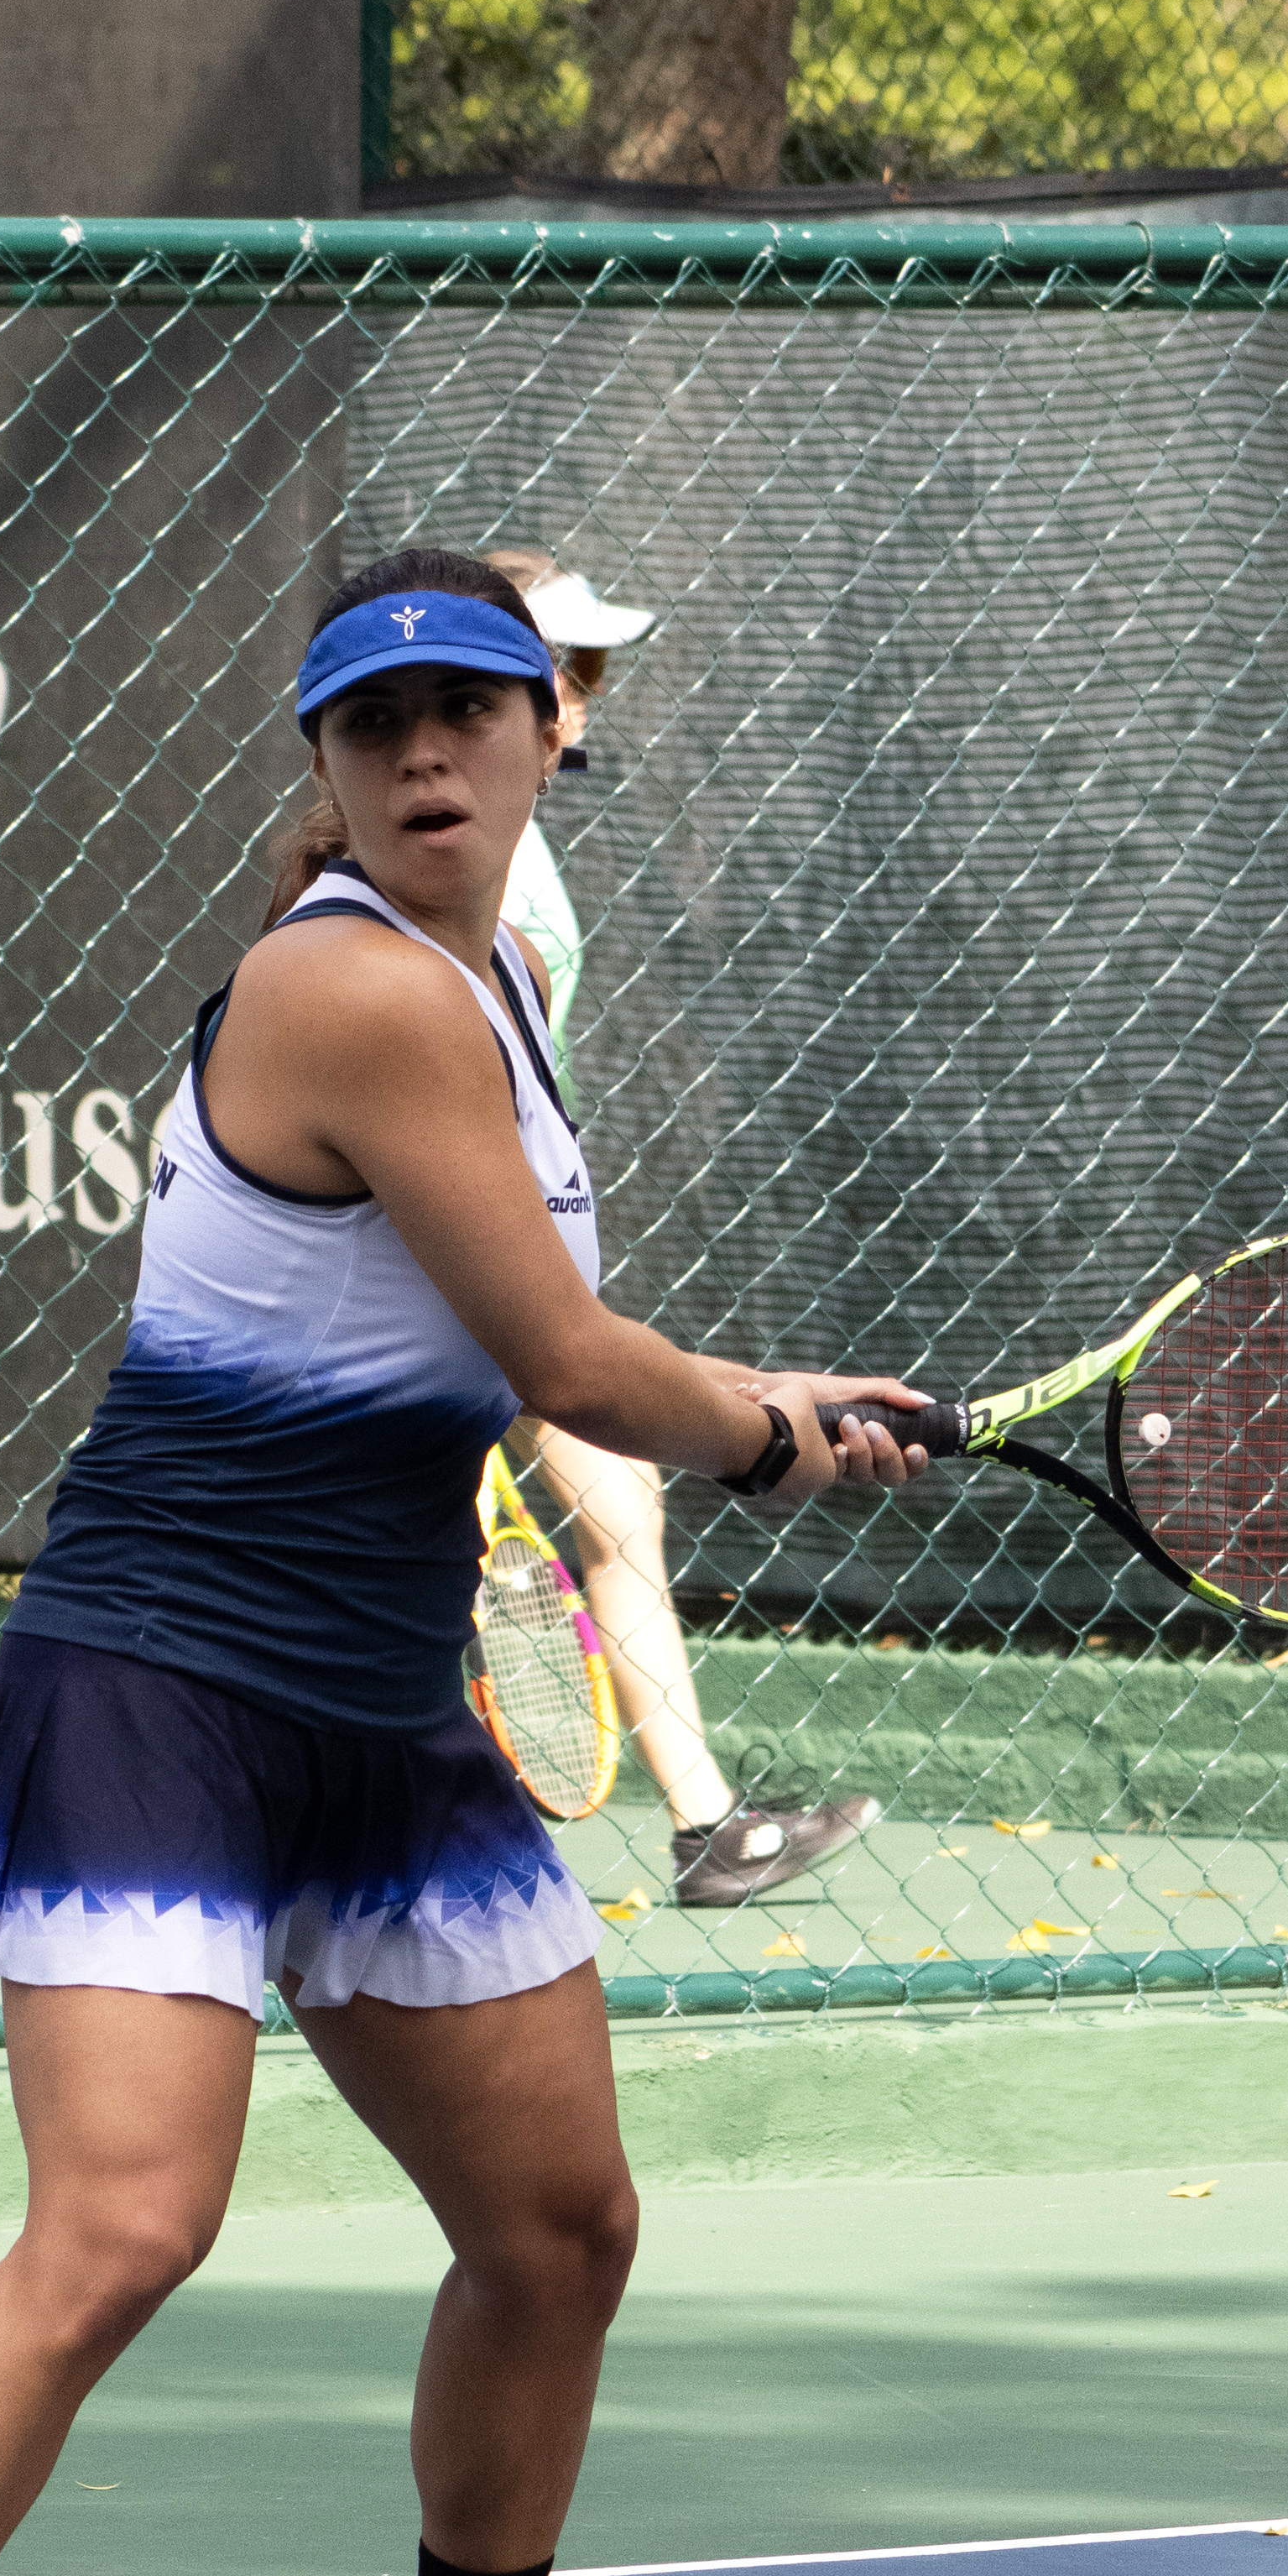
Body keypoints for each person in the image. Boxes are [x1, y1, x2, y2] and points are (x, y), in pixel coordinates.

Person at [0, 546, 926, 2576]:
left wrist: (752, 1406)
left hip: (381, 1700)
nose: (431, 754)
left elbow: (530, 1339)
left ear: (557, 728)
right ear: (329, 773)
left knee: (559, 2231)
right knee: (126, 2227)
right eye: (379, 730)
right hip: (159, 1683)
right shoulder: (349, 984)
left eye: (473, 711)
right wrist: (770, 1428)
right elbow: (570, 1366)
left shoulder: (500, 985)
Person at [483, 549, 879, 1915]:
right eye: (559, 666)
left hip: (519, 1255)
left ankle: (711, 1825)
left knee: (623, 1509)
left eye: (591, 671)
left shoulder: (511, 843)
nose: (583, 697)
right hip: (474, 1268)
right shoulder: (482, 883)